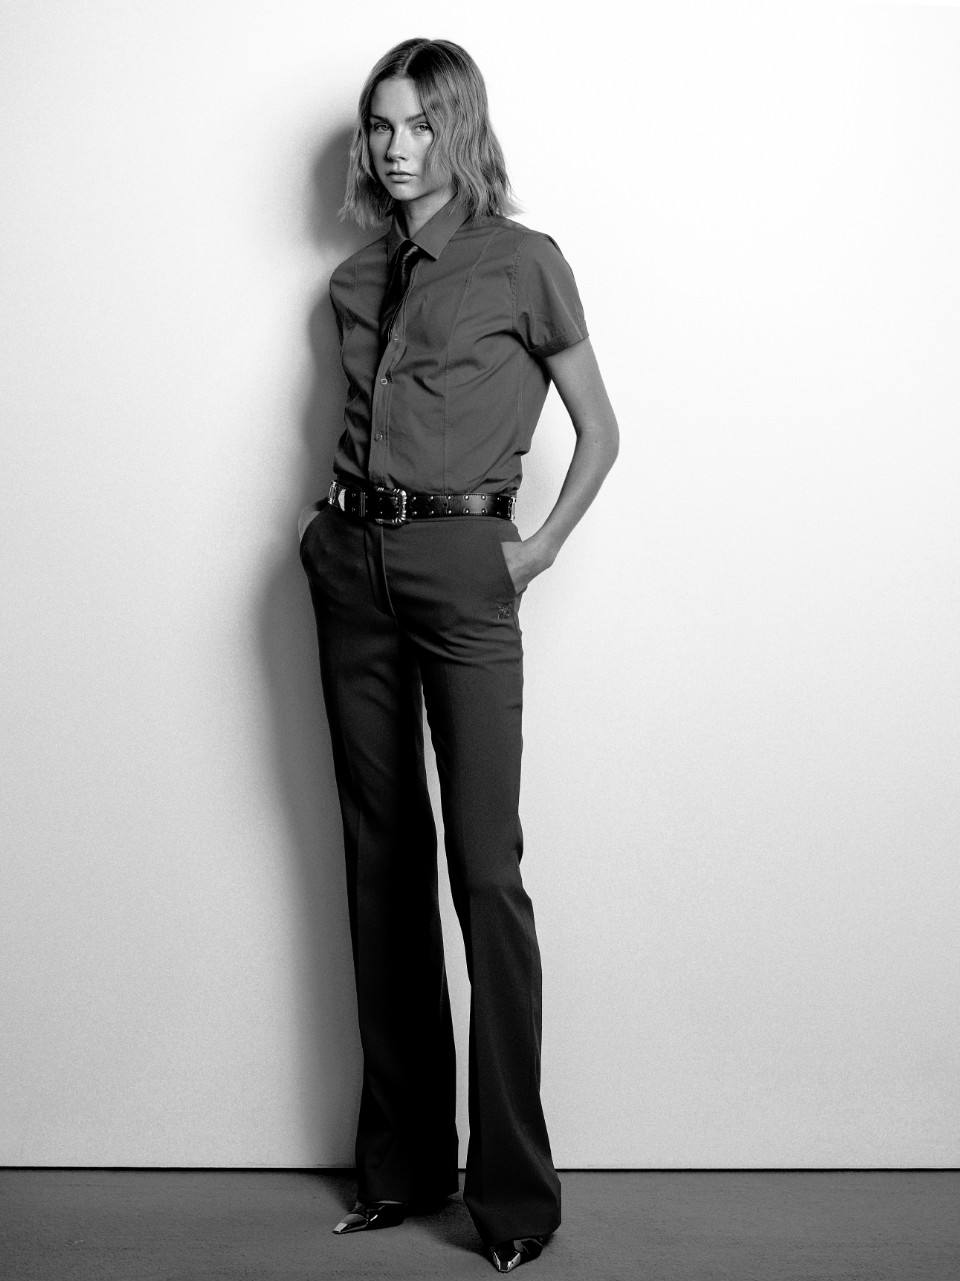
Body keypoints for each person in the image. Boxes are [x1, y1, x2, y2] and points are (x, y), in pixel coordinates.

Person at [298, 37, 619, 1274]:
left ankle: (515, 1200)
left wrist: (533, 552)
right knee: (381, 863)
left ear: (461, 130)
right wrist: (328, 538)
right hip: (352, 568)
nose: (395, 148)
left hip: (464, 570)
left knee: (487, 875)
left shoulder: (524, 262)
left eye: (420, 125)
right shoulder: (354, 278)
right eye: (380, 126)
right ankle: (399, 1168)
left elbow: (600, 430)